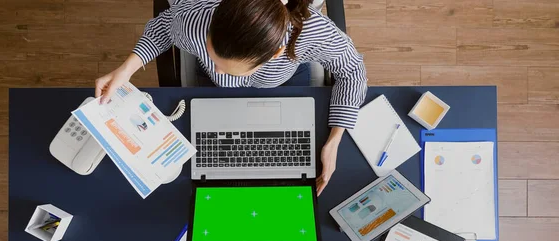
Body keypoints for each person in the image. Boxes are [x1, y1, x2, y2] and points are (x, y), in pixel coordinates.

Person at [95, 0, 368, 195]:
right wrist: (126, 68)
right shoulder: (197, 21)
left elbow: (353, 70)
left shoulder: (312, 33)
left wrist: (334, 141)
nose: (215, 68)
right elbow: (163, 27)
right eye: (212, 56)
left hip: (283, 81)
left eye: (228, 67)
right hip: (215, 89)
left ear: (274, 54)